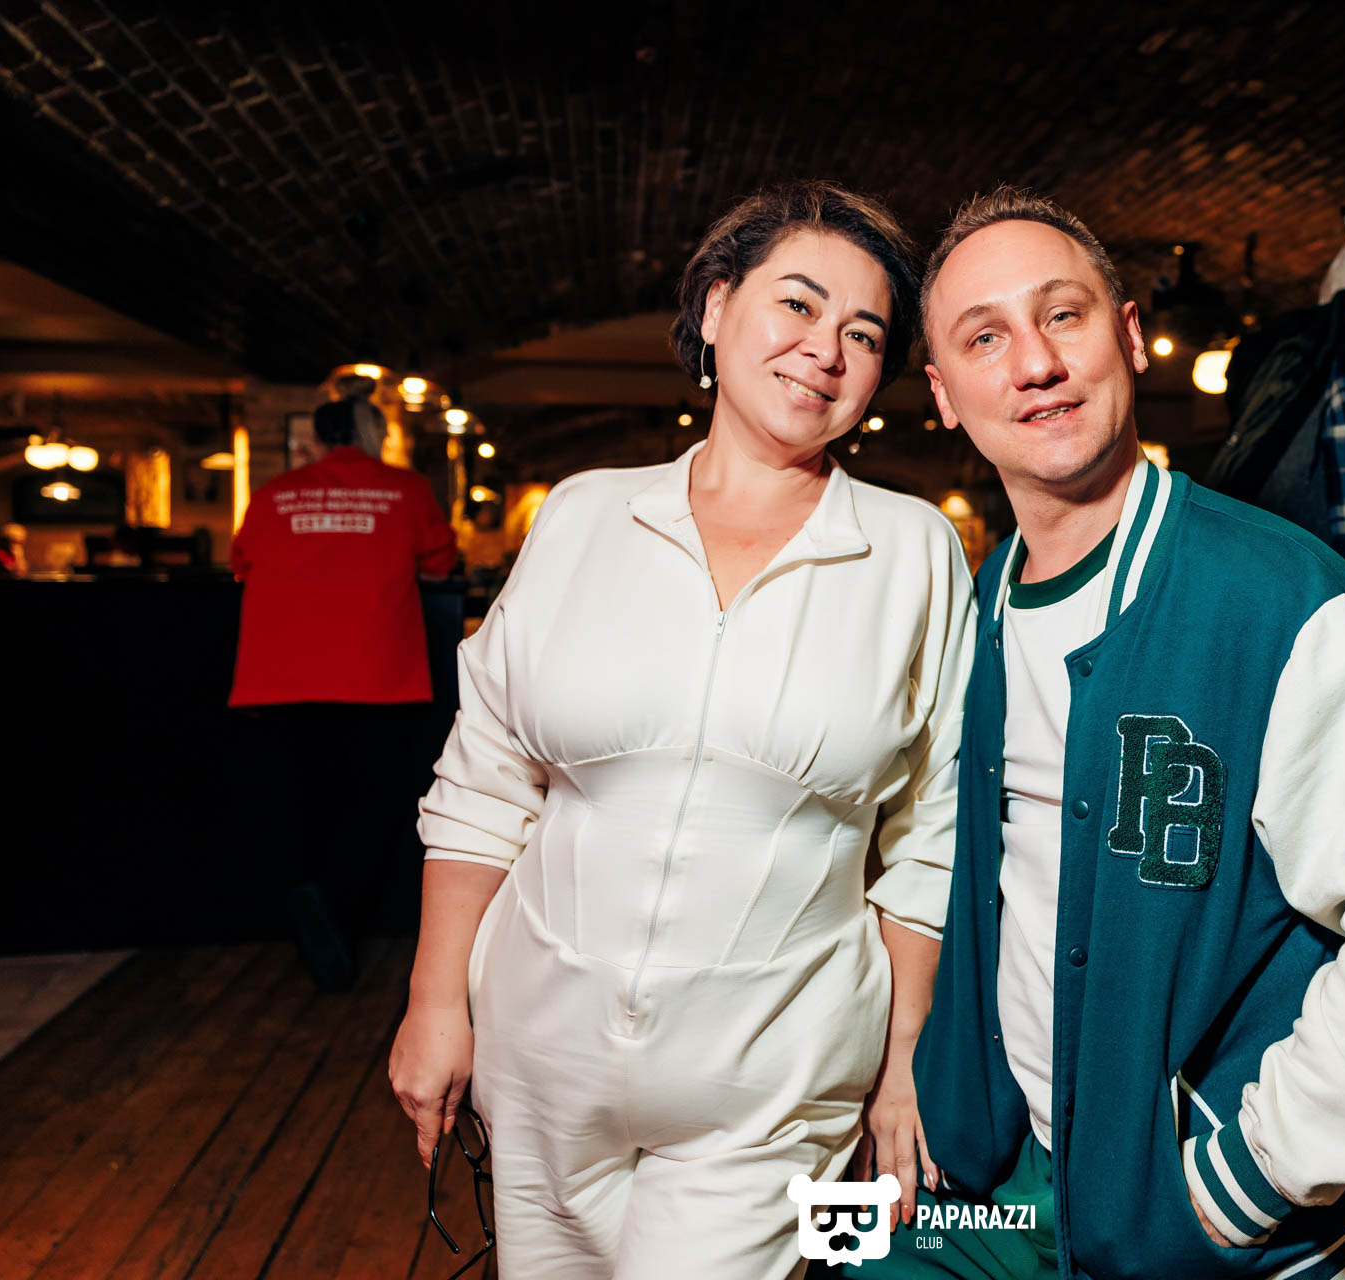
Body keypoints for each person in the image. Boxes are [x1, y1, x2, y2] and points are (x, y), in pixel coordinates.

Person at [870, 190, 1345, 1280]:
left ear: (1127, 335)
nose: (1036, 363)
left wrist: (1233, 1186)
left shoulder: (1281, 598)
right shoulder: (985, 603)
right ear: (943, 394)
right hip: (1014, 1175)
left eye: (1062, 315)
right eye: (986, 337)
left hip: (1208, 1221)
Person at [389, 181, 975, 1279]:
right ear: (714, 306)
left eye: (864, 334)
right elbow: (484, 782)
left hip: (777, 1077)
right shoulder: (583, 514)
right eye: (797, 304)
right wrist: (434, 1002)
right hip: (540, 1056)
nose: (825, 350)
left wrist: (904, 1062)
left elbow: (932, 834)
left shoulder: (913, 553)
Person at [230, 394, 458, 989]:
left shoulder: (276, 492)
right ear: (374, 433)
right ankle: (338, 909)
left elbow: (241, 563)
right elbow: (440, 564)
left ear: (317, 438)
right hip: (376, 675)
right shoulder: (405, 489)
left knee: (298, 801)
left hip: (282, 679)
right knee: (368, 807)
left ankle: (308, 895)